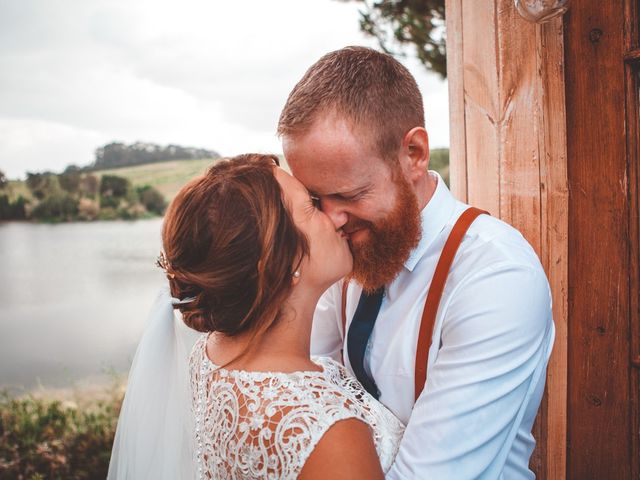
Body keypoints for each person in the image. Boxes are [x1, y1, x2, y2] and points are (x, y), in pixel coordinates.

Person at [278, 46, 555, 479]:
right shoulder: (348, 250)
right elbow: (312, 388)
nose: (331, 220)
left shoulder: (497, 276)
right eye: (316, 199)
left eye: (349, 195)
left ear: (414, 153)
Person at [108, 153, 404, 480]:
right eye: (310, 206)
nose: (334, 216)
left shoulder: (208, 357)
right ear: (282, 260)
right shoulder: (328, 434)